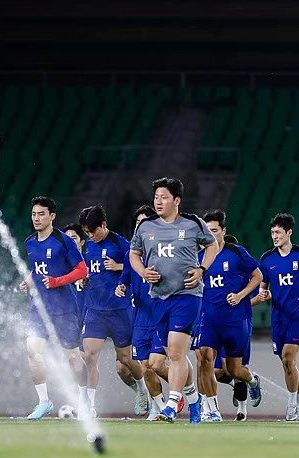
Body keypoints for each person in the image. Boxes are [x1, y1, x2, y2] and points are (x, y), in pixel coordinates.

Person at [128, 177, 218, 423]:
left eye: (164, 197)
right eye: (156, 197)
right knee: (174, 354)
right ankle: (193, 400)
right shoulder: (145, 227)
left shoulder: (192, 223)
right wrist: (143, 272)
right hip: (159, 297)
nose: (158, 201)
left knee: (176, 354)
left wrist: (201, 269)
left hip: (187, 296)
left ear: (176, 200)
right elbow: (133, 254)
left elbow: (213, 246)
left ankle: (170, 404)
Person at [18, 196, 88, 420]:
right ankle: (44, 402)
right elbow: (38, 269)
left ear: (52, 216)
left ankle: (83, 398)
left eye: (41, 214)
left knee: (73, 359)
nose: (36, 218)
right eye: (33, 214)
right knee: (32, 350)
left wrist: (57, 281)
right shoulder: (30, 242)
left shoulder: (63, 241)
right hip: (39, 307)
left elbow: (82, 270)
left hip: (65, 308)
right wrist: (29, 281)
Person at [79, 205, 148, 418]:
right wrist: (86, 278)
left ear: (103, 225)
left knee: (126, 359)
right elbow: (90, 270)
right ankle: (89, 405)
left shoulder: (121, 244)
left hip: (119, 310)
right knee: (88, 357)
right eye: (87, 232)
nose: (90, 235)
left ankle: (143, 390)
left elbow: (136, 269)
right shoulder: (88, 246)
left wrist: (119, 267)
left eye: (93, 231)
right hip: (95, 310)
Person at [194, 211, 263, 422]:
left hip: (235, 320)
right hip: (207, 319)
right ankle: (212, 409)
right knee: (204, 358)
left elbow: (257, 276)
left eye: (214, 230)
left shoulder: (236, 252)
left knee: (233, 370)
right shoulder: (198, 257)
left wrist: (241, 295)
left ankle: (252, 380)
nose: (211, 234)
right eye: (208, 231)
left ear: (223, 231)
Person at [117, 205, 172, 420]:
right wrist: (121, 287)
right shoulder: (131, 253)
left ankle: (184, 392)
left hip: (160, 315)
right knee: (145, 367)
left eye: (144, 222)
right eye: (138, 223)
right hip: (139, 317)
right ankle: (159, 407)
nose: (140, 226)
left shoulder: (164, 250)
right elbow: (125, 280)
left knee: (157, 364)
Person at [256, 213, 299, 421]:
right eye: (272, 233)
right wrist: (264, 294)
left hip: (298, 315)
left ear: (289, 232)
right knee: (288, 364)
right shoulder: (267, 259)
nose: (275, 236)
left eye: (278, 232)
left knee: (289, 357)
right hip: (278, 317)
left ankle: (290, 407)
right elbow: (264, 289)